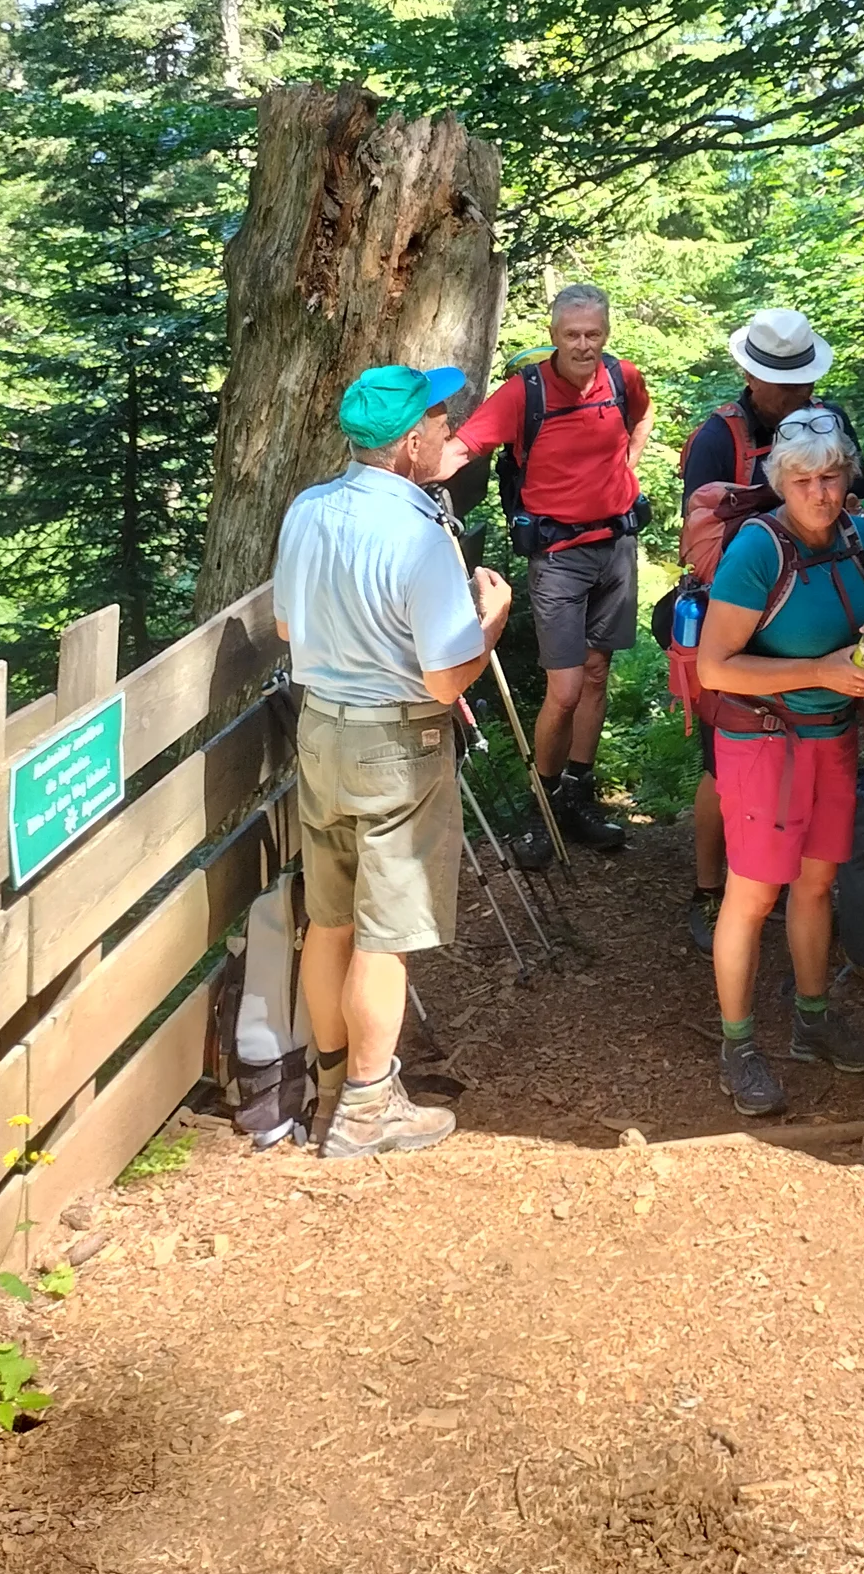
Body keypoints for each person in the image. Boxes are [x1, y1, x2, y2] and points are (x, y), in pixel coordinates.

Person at [274, 363, 513, 1159]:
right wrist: (493, 621)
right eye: (441, 422)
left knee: (330, 920)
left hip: (319, 733)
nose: (451, 432)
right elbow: (447, 678)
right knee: (385, 936)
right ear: (411, 442)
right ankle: (371, 1114)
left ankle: (333, 1087)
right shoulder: (418, 536)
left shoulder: (307, 509)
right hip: (396, 747)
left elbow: (284, 627)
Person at [697, 410, 864, 1116]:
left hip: (832, 735)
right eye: (805, 480)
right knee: (752, 896)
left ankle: (812, 1020)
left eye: (832, 477)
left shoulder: (854, 533)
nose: (820, 492)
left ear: (848, 476)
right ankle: (738, 1044)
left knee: (817, 885)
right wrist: (821, 668)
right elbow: (715, 668)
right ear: (782, 481)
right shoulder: (759, 549)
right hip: (764, 744)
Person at [677, 308, 864, 953]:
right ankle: (715, 891)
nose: (798, 394)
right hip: (738, 615)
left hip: (814, 607)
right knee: (719, 763)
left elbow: (856, 505)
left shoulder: (826, 424)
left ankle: (792, 904)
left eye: (803, 381)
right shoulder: (717, 438)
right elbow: (702, 539)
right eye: (783, 383)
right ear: (751, 376)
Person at [438, 283, 652, 860]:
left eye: (594, 335)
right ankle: (544, 804)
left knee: (599, 672)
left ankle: (579, 794)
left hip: (616, 546)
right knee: (566, 687)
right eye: (572, 335)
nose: (584, 346)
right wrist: (397, 477)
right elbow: (464, 447)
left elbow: (641, 417)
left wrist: (624, 472)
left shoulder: (621, 378)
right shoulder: (523, 393)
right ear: (554, 335)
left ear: (606, 333)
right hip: (558, 557)